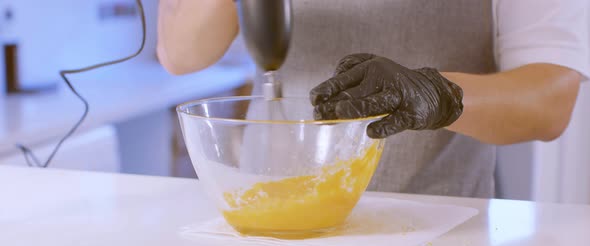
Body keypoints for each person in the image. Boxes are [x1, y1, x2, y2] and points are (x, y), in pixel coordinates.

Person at [157, 0, 590, 198]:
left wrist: (437, 94)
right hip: (268, 217)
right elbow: (181, 52)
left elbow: (549, 101)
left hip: (433, 237)